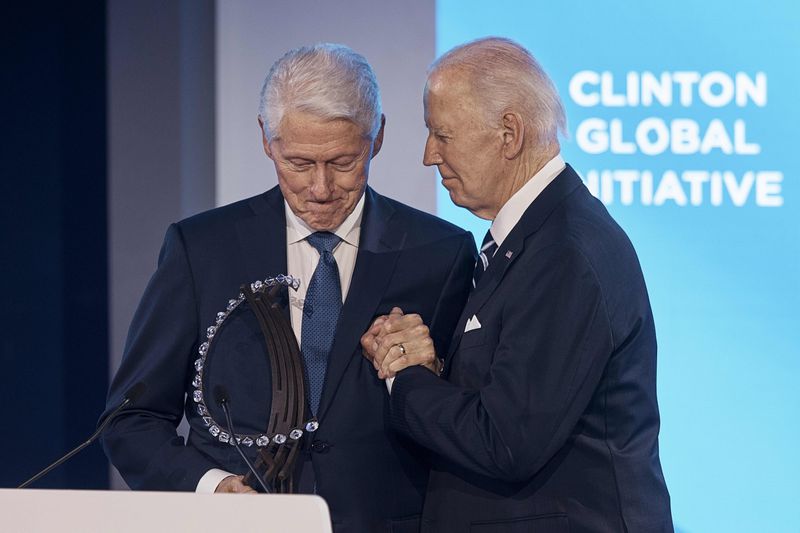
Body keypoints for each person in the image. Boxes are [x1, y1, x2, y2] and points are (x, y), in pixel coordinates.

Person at [101, 43, 475, 533]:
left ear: (378, 136)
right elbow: (131, 420)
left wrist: (432, 369)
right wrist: (211, 486)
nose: (321, 188)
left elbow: (471, 418)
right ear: (265, 139)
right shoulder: (202, 249)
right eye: (298, 163)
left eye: (343, 162)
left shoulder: (441, 252)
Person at [362, 37, 674, 532]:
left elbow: (505, 440)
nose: (428, 155)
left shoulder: (565, 253)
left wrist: (405, 374)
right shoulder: (536, 239)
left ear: (509, 133)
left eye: (442, 134)